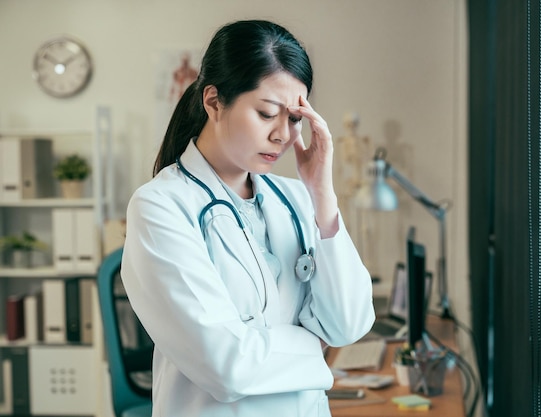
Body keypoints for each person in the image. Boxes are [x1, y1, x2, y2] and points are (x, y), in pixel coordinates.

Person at [121, 20, 375, 417]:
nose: (283, 135)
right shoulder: (160, 207)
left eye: (294, 119)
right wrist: (315, 347)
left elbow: (348, 324)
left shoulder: (297, 198)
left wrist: (323, 197)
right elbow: (227, 366)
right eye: (266, 113)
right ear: (214, 102)